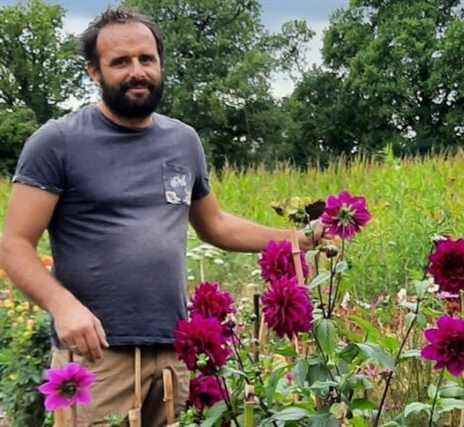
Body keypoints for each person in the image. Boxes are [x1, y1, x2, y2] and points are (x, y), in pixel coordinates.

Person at [0, 8, 321, 426]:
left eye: (146, 59)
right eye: (120, 62)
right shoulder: (57, 142)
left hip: (174, 352)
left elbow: (216, 224)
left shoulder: (182, 141)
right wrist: (63, 306)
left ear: (160, 64)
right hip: (96, 358)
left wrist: (299, 237)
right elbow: (13, 243)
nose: (137, 72)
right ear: (94, 72)